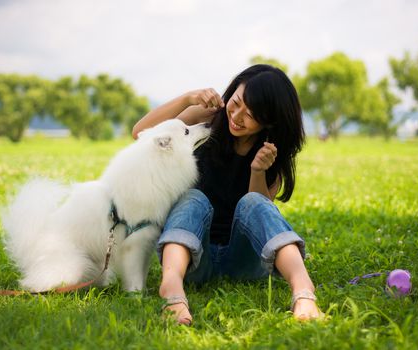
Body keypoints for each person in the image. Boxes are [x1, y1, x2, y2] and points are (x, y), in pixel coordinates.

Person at [132, 64, 322, 325]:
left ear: (269, 121)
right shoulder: (209, 117)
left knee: (253, 201)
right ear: (231, 92)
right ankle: (172, 289)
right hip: (193, 260)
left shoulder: (271, 153)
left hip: (245, 264)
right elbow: (140, 133)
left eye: (252, 114)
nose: (238, 116)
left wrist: (258, 170)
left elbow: (262, 216)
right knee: (193, 198)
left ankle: (304, 292)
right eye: (237, 102)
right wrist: (188, 99)